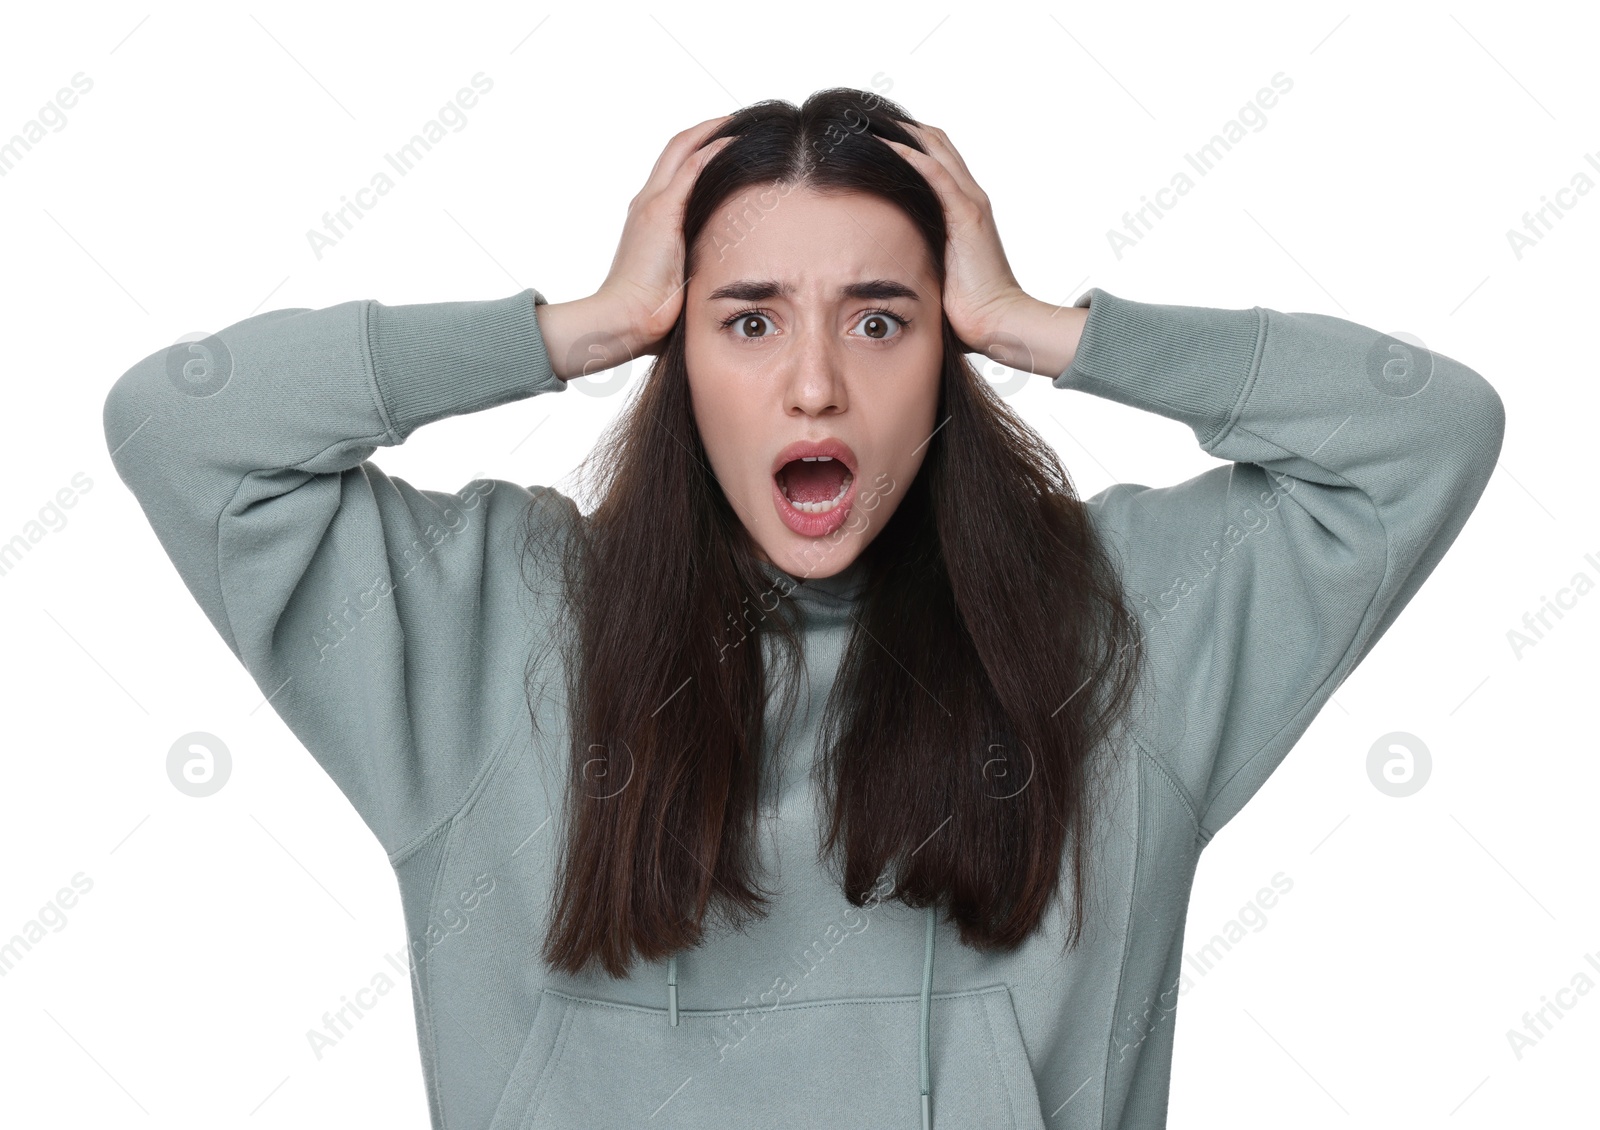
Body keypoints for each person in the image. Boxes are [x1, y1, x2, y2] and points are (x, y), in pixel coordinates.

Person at [103, 88, 1504, 1130]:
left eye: (884, 318)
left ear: (949, 357)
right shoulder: (497, 627)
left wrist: (1050, 328)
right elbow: (182, 430)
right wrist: (565, 330)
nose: (816, 385)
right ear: (677, 354)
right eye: (750, 319)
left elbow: (1427, 436)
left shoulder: (1121, 625)